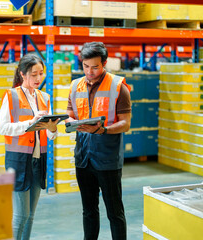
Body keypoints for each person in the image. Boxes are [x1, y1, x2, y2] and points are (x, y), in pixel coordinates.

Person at [66, 42, 131, 240]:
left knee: (115, 213)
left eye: (95, 67)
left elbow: (126, 124)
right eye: (86, 66)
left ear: (104, 63)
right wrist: (70, 122)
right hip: (83, 159)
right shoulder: (75, 85)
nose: (90, 71)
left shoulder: (118, 86)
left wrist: (103, 130)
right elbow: (70, 114)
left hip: (107, 159)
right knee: (89, 210)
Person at [0, 53, 59, 240]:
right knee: (20, 215)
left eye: (41, 73)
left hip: (37, 160)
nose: (38, 78)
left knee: (30, 216)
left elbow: (50, 135)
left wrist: (52, 128)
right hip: (18, 161)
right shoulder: (11, 96)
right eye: (34, 74)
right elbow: (3, 128)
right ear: (22, 74)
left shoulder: (45, 97)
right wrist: (29, 123)